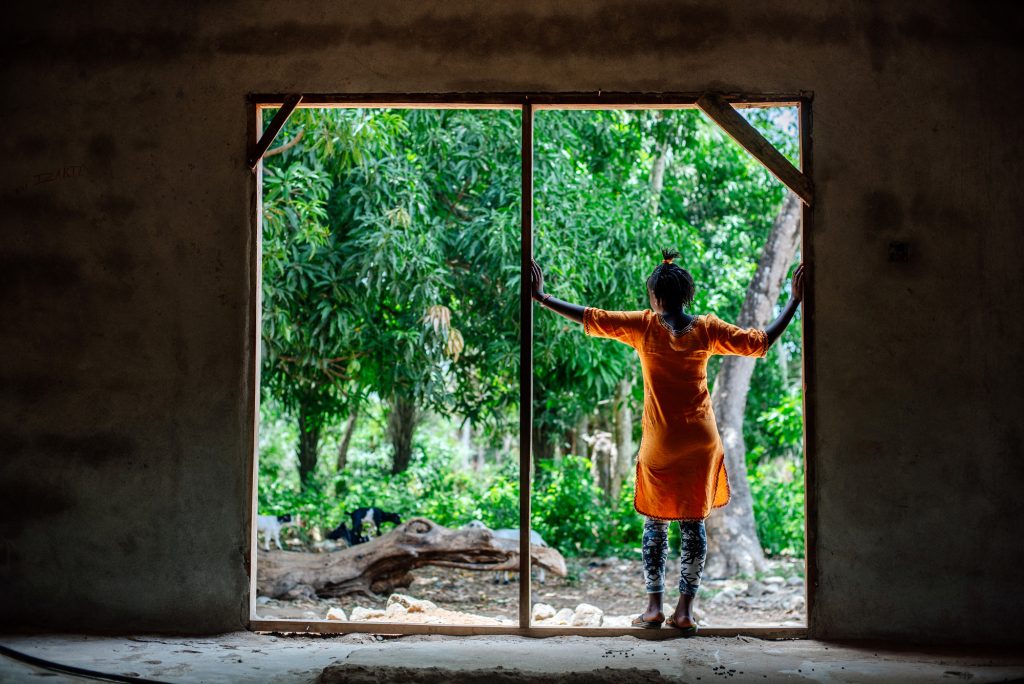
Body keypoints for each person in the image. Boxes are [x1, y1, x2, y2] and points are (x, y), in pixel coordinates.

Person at [530, 250, 805, 634]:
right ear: (686, 295)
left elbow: (592, 317)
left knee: (655, 527)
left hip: (661, 444)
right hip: (700, 443)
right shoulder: (707, 329)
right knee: (694, 527)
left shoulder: (644, 327)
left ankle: (654, 608)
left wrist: (542, 297)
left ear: (655, 298)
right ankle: (686, 612)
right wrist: (794, 299)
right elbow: (760, 343)